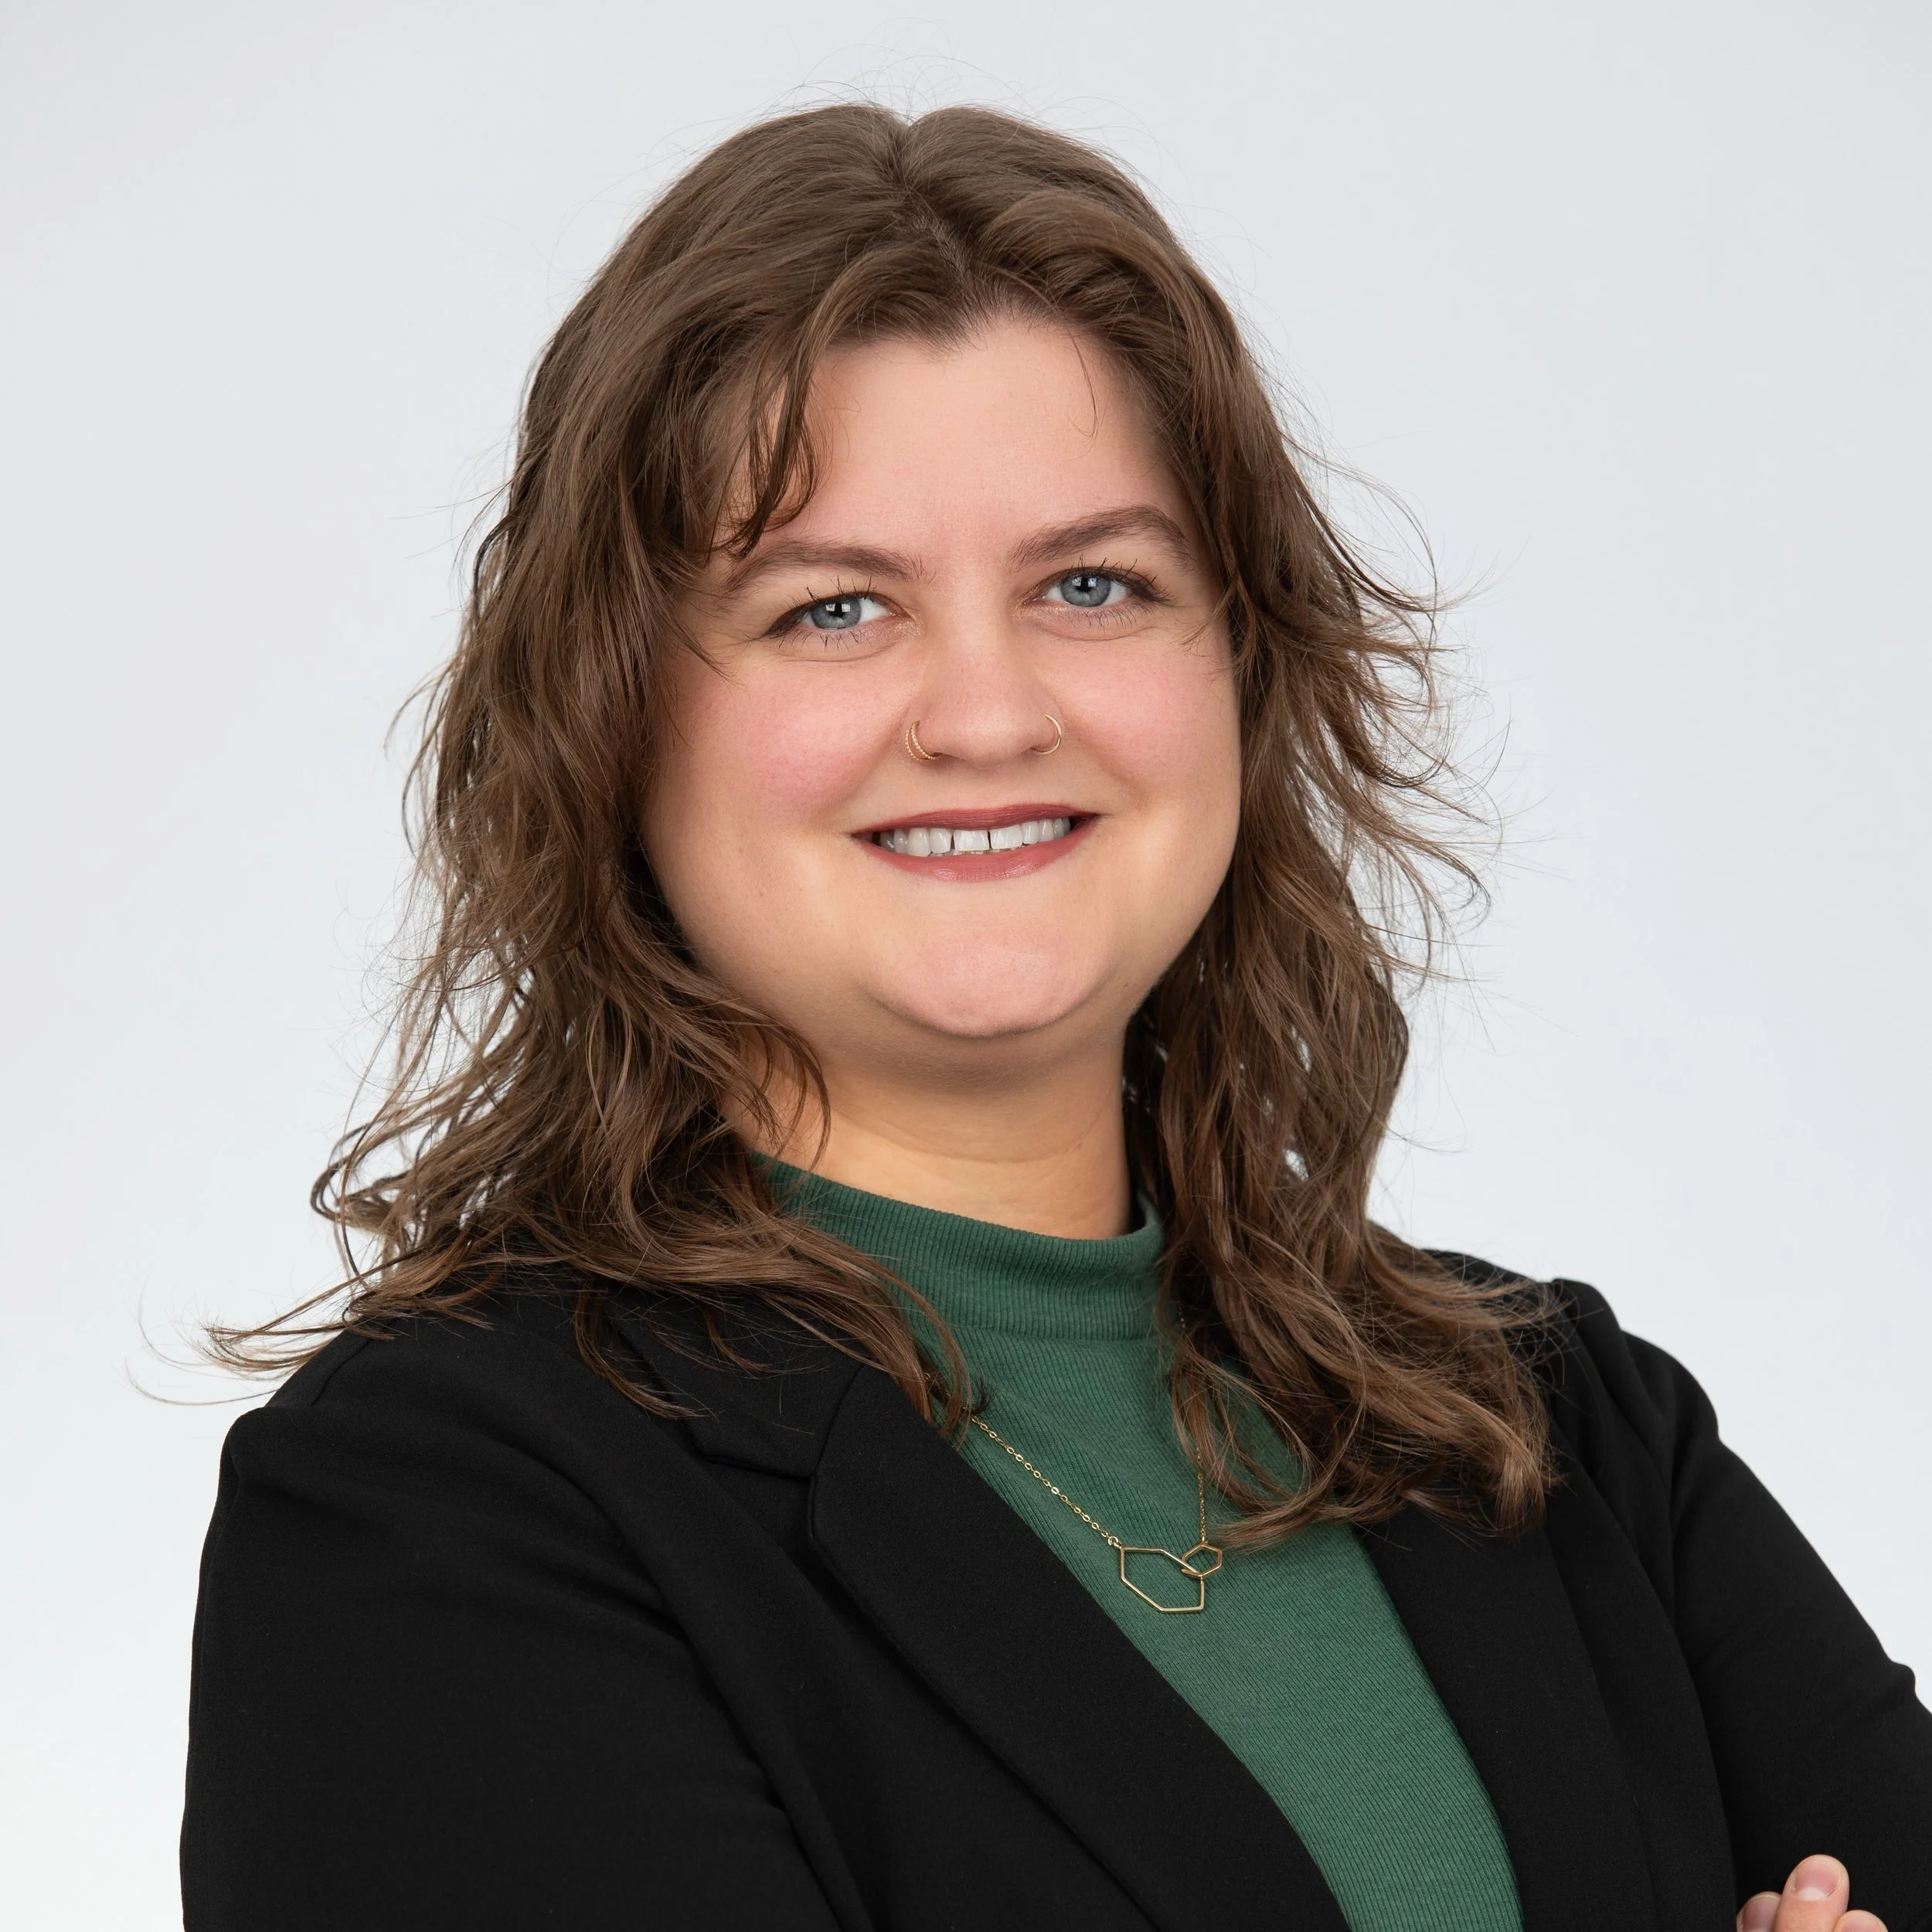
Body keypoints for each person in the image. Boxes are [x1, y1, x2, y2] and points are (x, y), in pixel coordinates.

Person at [180, 102, 1931, 1932]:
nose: (988, 711)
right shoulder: (442, 1518)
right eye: (832, 605)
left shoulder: (1554, 1434)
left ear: (1241, 673)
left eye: (1090, 584)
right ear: (613, 720)